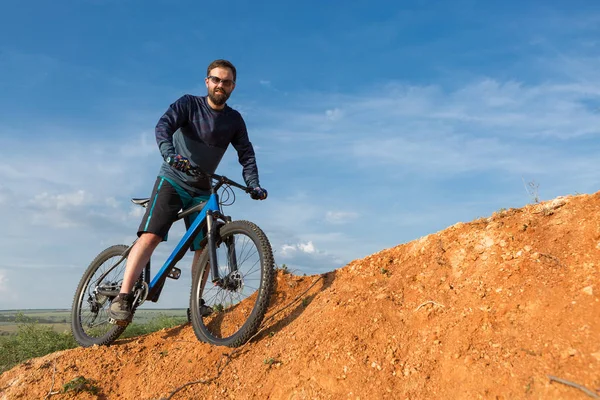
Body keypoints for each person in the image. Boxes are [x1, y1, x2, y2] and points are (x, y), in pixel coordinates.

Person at [109, 59, 267, 321]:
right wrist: (170, 155)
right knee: (151, 237)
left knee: (204, 249)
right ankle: (123, 296)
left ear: (233, 87)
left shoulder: (234, 120)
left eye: (226, 82)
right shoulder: (188, 104)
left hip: (202, 188)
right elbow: (163, 127)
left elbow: (246, 154)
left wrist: (253, 184)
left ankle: (195, 303)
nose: (220, 85)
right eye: (216, 79)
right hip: (173, 179)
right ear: (207, 81)